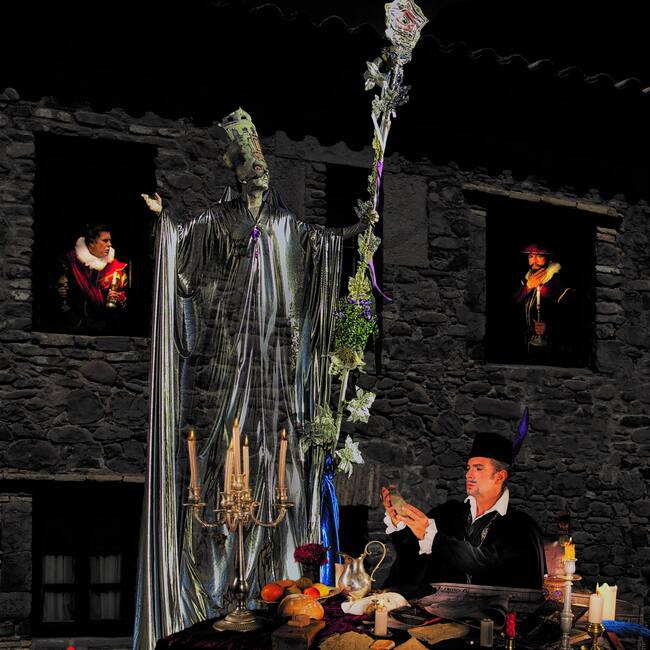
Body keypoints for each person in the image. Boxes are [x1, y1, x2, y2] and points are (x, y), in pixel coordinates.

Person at [135, 108, 370, 647]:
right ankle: (219, 593)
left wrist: (359, 233)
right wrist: (165, 222)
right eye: (251, 168)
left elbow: (322, 242)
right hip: (228, 354)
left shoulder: (287, 225)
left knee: (278, 467)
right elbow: (183, 250)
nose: (259, 176)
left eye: (263, 168)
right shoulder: (218, 221)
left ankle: (282, 586)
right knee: (222, 468)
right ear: (238, 174)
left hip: (277, 361)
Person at [382, 431, 546, 590]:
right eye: (468, 468)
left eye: (478, 469)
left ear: (500, 477)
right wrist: (400, 524)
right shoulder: (448, 512)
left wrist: (430, 535)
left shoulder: (521, 528)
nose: (469, 474)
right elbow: (414, 558)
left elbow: (487, 564)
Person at [52, 225, 127, 334]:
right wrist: (59, 292)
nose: (109, 244)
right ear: (91, 242)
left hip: (106, 328)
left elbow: (123, 299)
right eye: (105, 240)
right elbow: (54, 292)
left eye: (110, 240)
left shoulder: (116, 268)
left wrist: (117, 298)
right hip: (74, 327)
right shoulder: (69, 262)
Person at [514, 243, 574, 362]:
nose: (534, 261)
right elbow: (512, 303)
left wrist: (548, 327)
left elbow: (570, 316)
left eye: (539, 256)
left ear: (548, 259)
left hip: (551, 348)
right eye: (531, 256)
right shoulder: (525, 280)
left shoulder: (558, 282)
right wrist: (528, 287)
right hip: (525, 346)